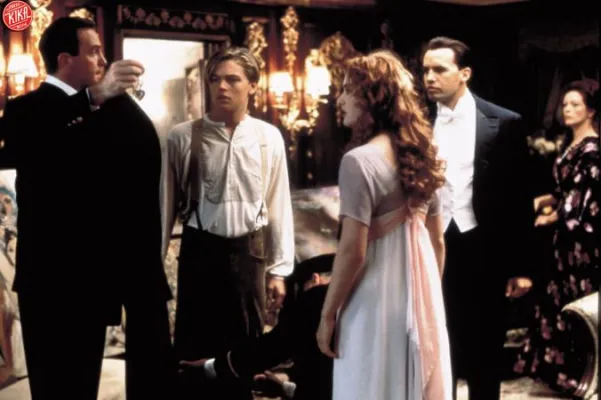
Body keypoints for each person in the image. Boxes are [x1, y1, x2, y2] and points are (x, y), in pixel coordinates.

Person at [0, 17, 175, 400]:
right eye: (93, 51)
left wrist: (118, 95)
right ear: (66, 59)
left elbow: (142, 167)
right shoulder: (24, 110)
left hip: (95, 282)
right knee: (55, 392)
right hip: (49, 282)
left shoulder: (111, 109)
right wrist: (94, 96)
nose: (103, 59)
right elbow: (26, 143)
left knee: (82, 389)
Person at [315, 49, 452, 400]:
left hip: (373, 297)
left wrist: (328, 314)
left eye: (347, 90)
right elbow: (437, 242)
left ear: (371, 99)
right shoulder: (426, 155)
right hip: (421, 296)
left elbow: (353, 251)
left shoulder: (359, 161)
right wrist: (427, 300)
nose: (339, 99)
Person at [162, 46, 295, 400]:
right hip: (200, 252)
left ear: (252, 85)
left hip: (248, 254)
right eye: (215, 79)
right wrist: (155, 267)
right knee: (193, 355)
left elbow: (278, 205)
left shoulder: (268, 137)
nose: (221, 86)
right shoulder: (182, 136)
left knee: (244, 355)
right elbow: (165, 208)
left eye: (232, 79)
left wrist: (279, 271)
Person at [421, 36, 533, 400]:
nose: (430, 77)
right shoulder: (417, 123)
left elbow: (519, 198)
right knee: (438, 347)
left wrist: (520, 267)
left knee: (485, 350)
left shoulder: (504, 122)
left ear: (464, 73)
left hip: (485, 249)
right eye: (425, 70)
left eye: (439, 69)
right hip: (431, 247)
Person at [514, 79, 600, 394]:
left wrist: (552, 215)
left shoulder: (592, 150)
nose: (567, 109)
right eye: (565, 104)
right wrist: (544, 201)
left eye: (575, 104)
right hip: (563, 241)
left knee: (576, 300)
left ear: (591, 111)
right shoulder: (570, 145)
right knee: (558, 298)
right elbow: (564, 189)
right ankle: (563, 372)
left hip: (580, 242)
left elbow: (583, 199)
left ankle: (579, 373)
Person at [179, 253, 335, 400]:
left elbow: (270, 348)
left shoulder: (318, 299)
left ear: (314, 280)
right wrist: (285, 388)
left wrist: (211, 367)